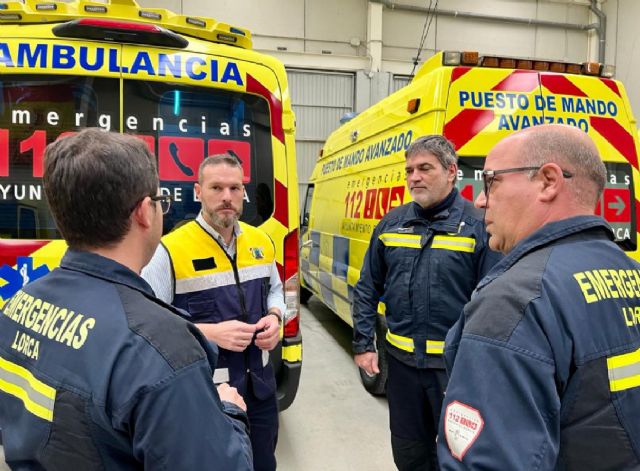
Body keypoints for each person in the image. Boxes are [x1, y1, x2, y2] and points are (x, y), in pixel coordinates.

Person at [0, 129, 253, 469]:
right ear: (145, 213)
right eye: (160, 201)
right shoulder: (161, 348)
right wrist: (228, 411)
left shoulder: (18, 305)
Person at [438, 124, 640, 470]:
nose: (480, 199)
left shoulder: (514, 302)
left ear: (548, 181)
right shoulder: (629, 272)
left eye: (491, 180)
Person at [352, 135, 499, 470]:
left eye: (424, 168)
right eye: (409, 170)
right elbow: (367, 288)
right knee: (408, 451)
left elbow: (493, 306)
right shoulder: (392, 224)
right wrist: (363, 343)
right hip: (401, 369)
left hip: (455, 372)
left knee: (458, 456)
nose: (414, 177)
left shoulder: (478, 227)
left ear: (451, 172)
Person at [142, 154, 285, 471]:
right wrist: (210, 333)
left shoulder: (262, 241)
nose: (226, 198)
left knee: (263, 463)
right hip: (205, 392)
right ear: (197, 191)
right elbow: (147, 324)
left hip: (260, 389)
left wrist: (276, 316)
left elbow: (275, 289)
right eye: (216, 187)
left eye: (235, 188)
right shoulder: (170, 250)